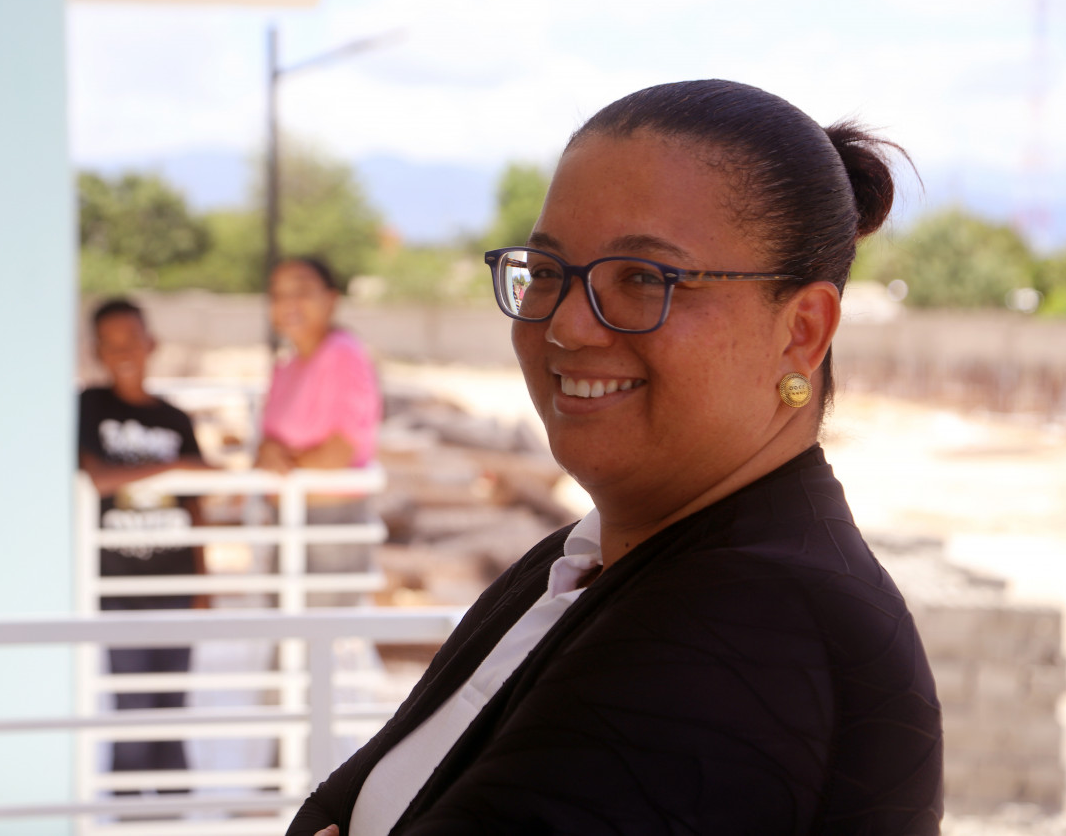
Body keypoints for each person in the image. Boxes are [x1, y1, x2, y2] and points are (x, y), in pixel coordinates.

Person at [289, 80, 943, 836]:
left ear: (802, 331)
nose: (567, 326)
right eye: (546, 272)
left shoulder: (753, 624)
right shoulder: (584, 559)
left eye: (642, 279)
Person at [78, 298, 211, 786]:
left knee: (173, 707)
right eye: (110, 344)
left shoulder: (177, 420)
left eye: (131, 339)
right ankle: (132, 809)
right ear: (97, 352)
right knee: (131, 707)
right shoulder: (90, 406)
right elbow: (98, 478)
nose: (123, 352)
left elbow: (198, 502)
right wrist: (172, 466)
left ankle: (173, 808)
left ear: (151, 343)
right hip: (118, 585)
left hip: (175, 582)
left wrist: (203, 582)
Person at [255, 257, 382, 607]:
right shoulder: (286, 365)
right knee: (285, 631)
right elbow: (266, 444)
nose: (289, 303)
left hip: (330, 529)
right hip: (287, 522)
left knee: (318, 635)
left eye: (301, 290)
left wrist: (280, 463)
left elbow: (338, 453)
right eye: (278, 294)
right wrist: (271, 453)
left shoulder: (343, 354)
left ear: (331, 299)